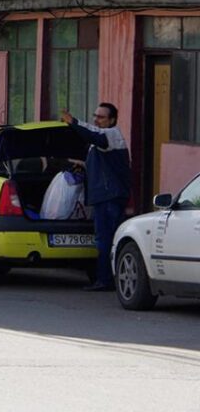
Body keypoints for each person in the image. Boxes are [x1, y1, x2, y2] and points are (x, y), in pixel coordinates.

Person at [61, 103, 132, 291]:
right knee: (105, 238)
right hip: (106, 196)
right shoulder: (102, 140)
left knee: (105, 239)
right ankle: (107, 278)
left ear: (112, 120)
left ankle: (105, 280)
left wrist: (73, 122)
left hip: (110, 196)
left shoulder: (111, 135)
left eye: (101, 117)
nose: (96, 120)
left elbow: (92, 134)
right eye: (95, 116)